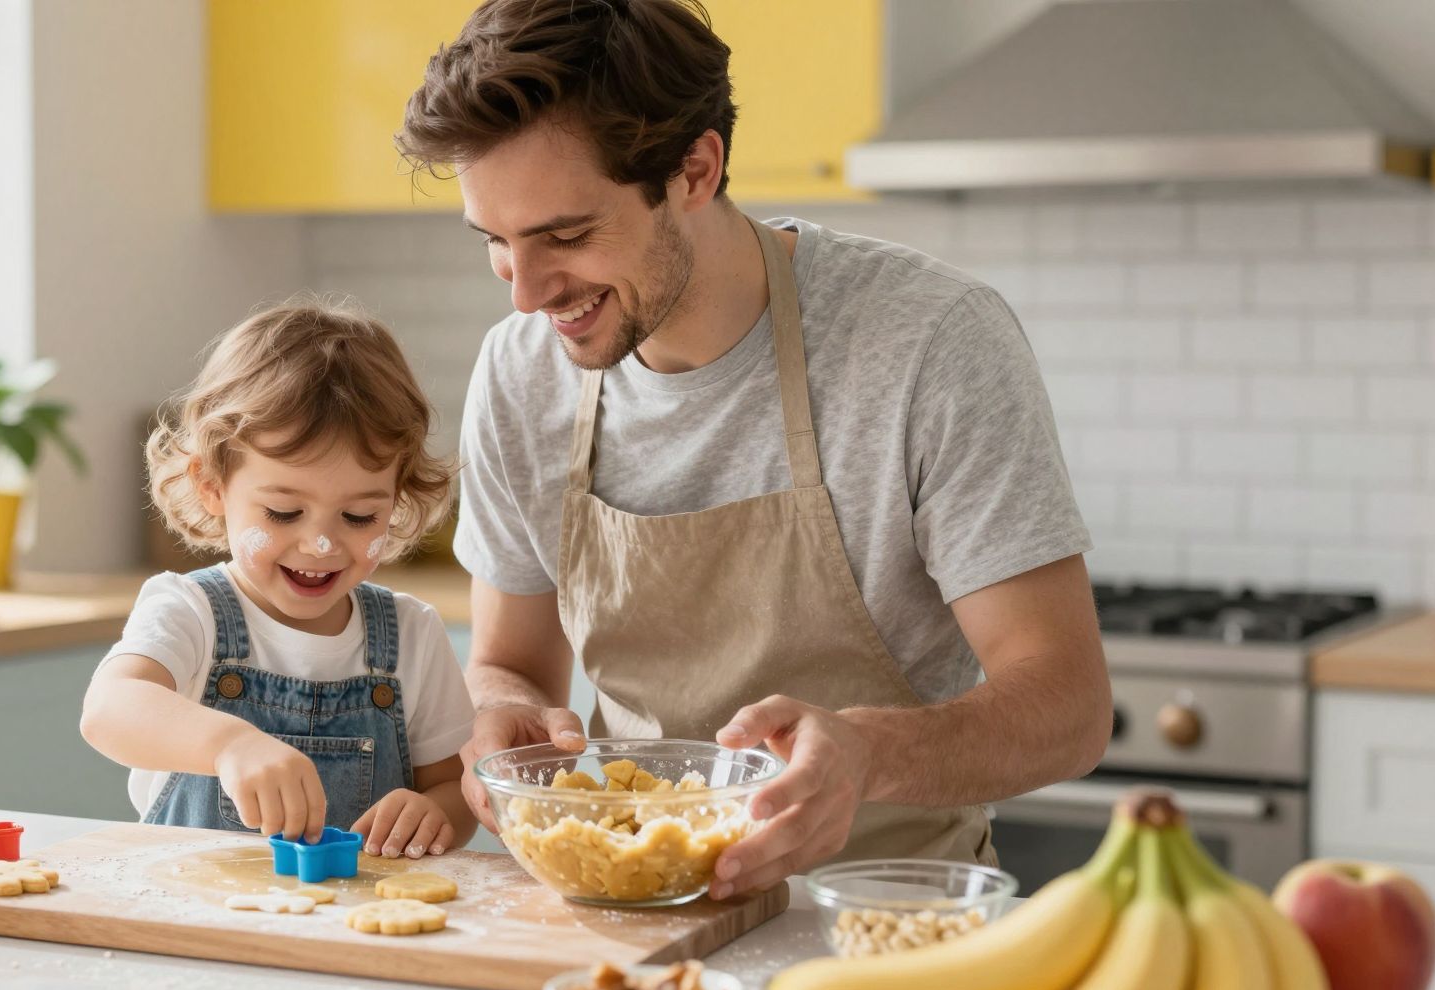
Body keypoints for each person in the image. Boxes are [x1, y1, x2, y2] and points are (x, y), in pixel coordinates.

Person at [397, 0, 1113, 899]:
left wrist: (868, 756)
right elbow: (511, 662)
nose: (528, 295)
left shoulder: (929, 341)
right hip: (633, 916)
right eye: (497, 245)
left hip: (884, 920)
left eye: (566, 237)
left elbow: (1070, 710)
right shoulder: (520, 371)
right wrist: (500, 713)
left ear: (695, 169)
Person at [80, 301, 477, 859]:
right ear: (212, 484)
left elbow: (456, 787)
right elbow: (108, 710)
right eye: (284, 513)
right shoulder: (190, 611)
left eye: (360, 516)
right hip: (196, 920)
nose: (321, 545)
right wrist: (228, 744)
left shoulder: (411, 634)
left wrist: (437, 812)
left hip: (356, 927)